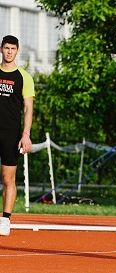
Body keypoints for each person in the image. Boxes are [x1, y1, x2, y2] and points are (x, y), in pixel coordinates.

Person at [0, 35, 35, 236]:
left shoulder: (24, 77)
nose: (9, 51)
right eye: (6, 48)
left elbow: (28, 108)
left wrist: (26, 135)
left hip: (11, 134)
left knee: (8, 178)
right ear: (1, 49)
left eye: (13, 48)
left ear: (17, 50)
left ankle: (5, 219)